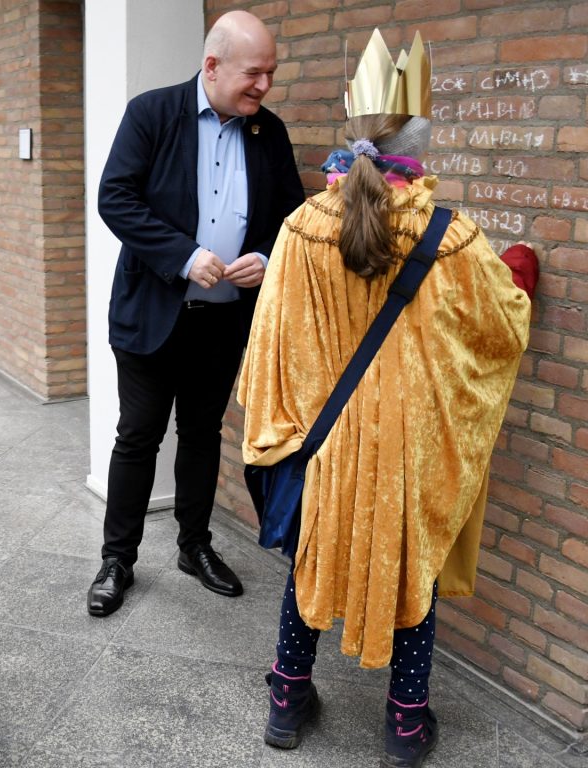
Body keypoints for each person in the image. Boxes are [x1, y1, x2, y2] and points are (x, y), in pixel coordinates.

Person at [237, 29, 537, 768]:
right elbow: (500, 324)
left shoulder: (302, 228)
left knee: (308, 570)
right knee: (411, 576)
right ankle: (405, 725)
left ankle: (287, 699)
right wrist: (522, 271)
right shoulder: (453, 237)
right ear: (422, 141)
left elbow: (269, 347)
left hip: (322, 449)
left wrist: (283, 431)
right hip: (407, 456)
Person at [88, 10, 304, 617]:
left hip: (224, 319)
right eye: (254, 74)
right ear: (212, 66)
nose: (264, 86)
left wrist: (266, 256)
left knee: (203, 435)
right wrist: (184, 256)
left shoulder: (270, 133)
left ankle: (194, 545)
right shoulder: (152, 113)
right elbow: (116, 198)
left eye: (271, 74)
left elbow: (294, 218)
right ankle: (117, 560)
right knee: (138, 437)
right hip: (150, 315)